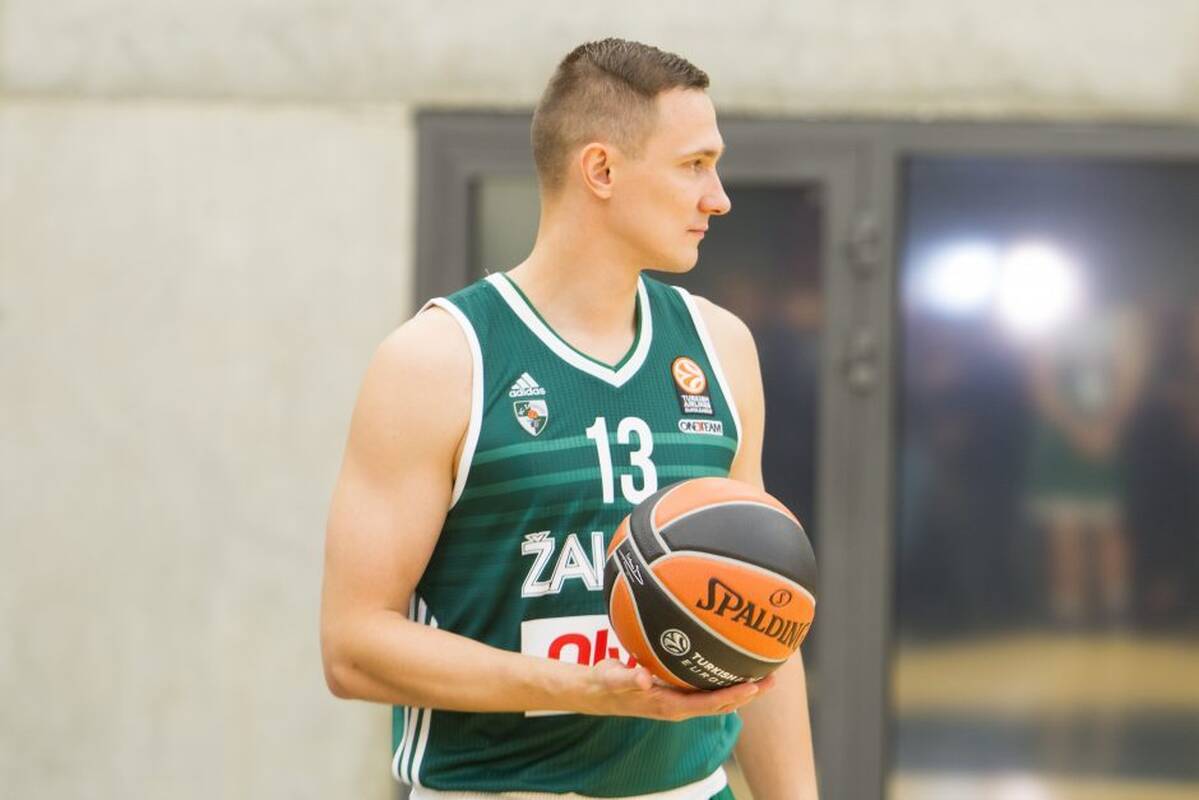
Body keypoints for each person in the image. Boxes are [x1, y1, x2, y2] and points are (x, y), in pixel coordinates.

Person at [320, 38, 818, 800]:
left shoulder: (719, 347)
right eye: (693, 165)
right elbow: (353, 647)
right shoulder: (439, 360)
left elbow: (759, 616)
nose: (717, 197)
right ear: (601, 171)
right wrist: (583, 687)